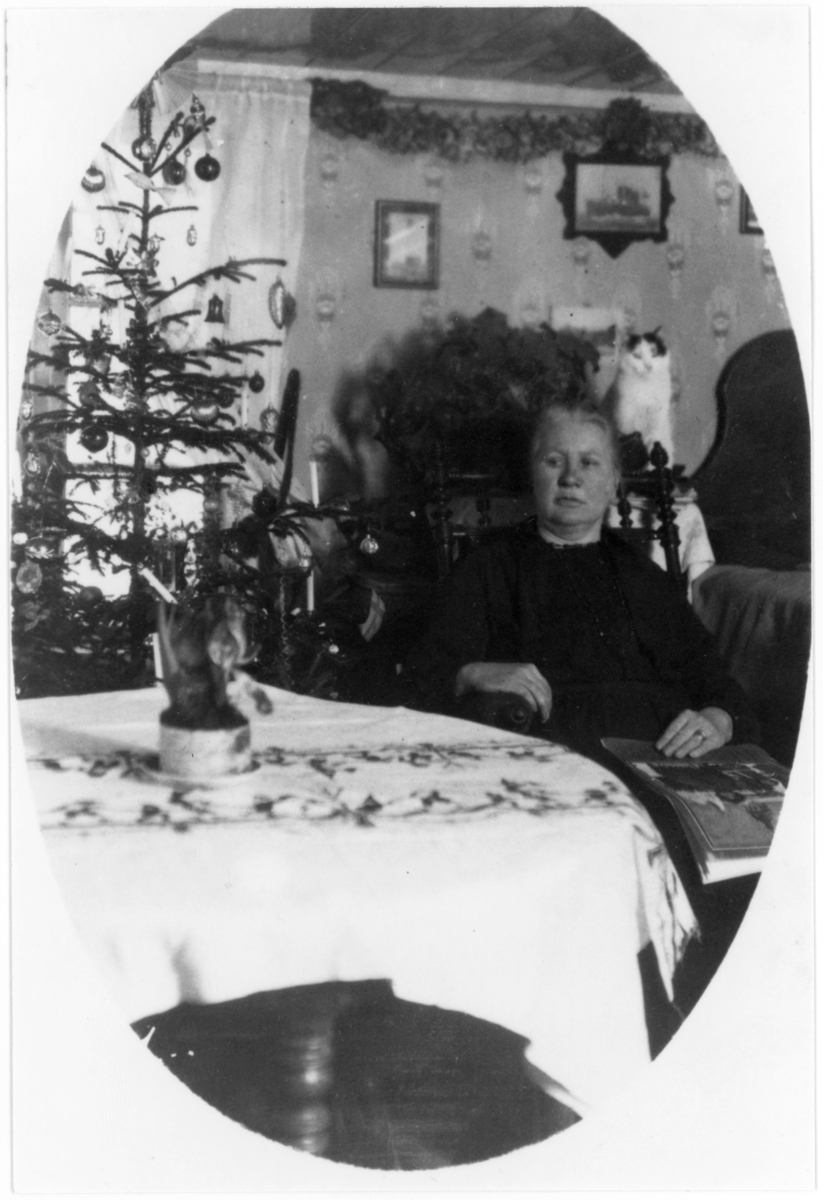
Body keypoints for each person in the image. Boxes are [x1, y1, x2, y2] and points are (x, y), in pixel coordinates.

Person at [402, 401, 761, 1014]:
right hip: (562, 751)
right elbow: (417, 680)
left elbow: (716, 682)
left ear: (613, 482)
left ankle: (724, 1013)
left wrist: (717, 719)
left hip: (668, 756)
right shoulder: (492, 565)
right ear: (532, 473)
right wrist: (476, 670)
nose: (571, 478)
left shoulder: (643, 576)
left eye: (589, 463)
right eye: (554, 461)